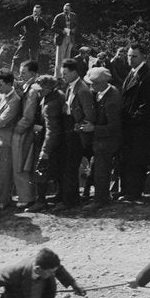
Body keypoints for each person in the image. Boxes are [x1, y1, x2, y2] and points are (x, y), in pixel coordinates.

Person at [118, 44, 150, 202]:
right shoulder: (132, 72)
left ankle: (133, 192)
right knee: (127, 159)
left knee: (136, 160)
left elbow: (148, 106)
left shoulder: (147, 77)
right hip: (129, 125)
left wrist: (133, 120)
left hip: (139, 128)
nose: (130, 59)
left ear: (143, 57)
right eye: (129, 56)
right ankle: (126, 190)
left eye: (134, 56)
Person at [78, 66, 121, 210]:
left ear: (102, 83)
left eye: (93, 84)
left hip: (107, 141)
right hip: (99, 140)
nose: (91, 87)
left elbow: (114, 127)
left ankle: (100, 200)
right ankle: (96, 196)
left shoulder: (112, 100)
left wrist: (93, 128)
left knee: (101, 170)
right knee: (96, 168)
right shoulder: (100, 93)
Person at [59, 59, 94, 208]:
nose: (63, 76)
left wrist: (78, 128)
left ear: (74, 72)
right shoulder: (70, 86)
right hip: (69, 129)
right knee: (68, 166)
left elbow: (89, 116)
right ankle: (70, 198)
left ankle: (70, 201)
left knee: (71, 167)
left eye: (65, 73)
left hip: (77, 134)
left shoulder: (82, 90)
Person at [0, 69, 21, 211]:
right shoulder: (1, 96)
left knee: (4, 173)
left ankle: (2, 202)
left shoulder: (14, 100)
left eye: (0, 85)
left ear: (9, 84)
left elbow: (1, 121)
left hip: (5, 141)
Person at [30, 75, 65, 211]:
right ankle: (59, 196)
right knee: (56, 170)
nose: (38, 92)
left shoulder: (50, 105)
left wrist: (45, 150)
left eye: (40, 90)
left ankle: (41, 201)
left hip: (50, 142)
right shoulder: (55, 96)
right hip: (57, 142)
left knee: (41, 170)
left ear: (47, 89)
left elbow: (52, 129)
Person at [11, 61, 42, 209]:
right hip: (30, 130)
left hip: (26, 131)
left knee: (21, 164)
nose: (20, 75)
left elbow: (28, 116)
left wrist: (17, 129)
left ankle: (26, 197)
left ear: (32, 73)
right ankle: (27, 195)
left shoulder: (33, 90)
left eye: (23, 72)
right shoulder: (30, 87)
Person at [11, 5, 48, 72]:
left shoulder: (41, 20)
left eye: (37, 12)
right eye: (34, 11)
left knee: (34, 60)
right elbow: (16, 26)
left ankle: (32, 75)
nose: (35, 13)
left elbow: (46, 27)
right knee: (18, 57)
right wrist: (23, 33)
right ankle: (12, 74)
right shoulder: (28, 18)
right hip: (26, 40)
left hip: (35, 42)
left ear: (40, 12)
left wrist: (41, 34)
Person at [51, 3, 78, 77]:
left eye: (67, 10)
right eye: (64, 9)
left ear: (70, 10)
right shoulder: (59, 16)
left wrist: (73, 30)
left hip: (70, 38)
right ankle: (58, 77)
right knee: (60, 59)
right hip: (62, 39)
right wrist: (62, 31)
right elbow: (53, 28)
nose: (65, 11)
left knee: (67, 59)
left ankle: (65, 76)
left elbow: (76, 25)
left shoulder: (74, 16)